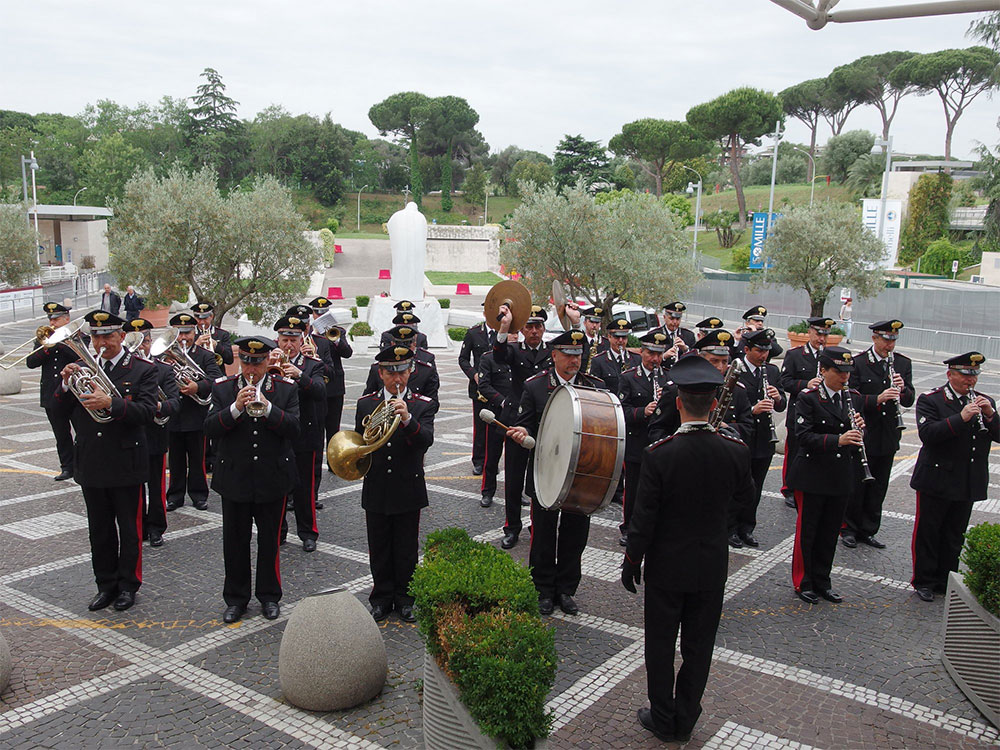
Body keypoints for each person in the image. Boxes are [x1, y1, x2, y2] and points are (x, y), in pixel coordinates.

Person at [621, 355, 754, 743]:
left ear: (678, 403)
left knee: (660, 646)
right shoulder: (735, 450)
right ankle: (686, 716)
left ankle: (663, 716)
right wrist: (716, 527)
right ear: (714, 404)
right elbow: (745, 503)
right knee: (699, 647)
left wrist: (632, 561)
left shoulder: (660, 454)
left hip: (666, 566)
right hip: (710, 564)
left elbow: (643, 519)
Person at [52, 310, 158, 612]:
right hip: (91, 462)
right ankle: (105, 585)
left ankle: (128, 587)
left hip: (126, 463)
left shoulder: (141, 369)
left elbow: (148, 413)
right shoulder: (83, 367)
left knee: (129, 529)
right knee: (99, 530)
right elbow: (58, 411)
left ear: (121, 336)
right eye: (95, 336)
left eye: (107, 336)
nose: (100, 342)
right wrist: (64, 384)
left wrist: (111, 403)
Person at [506, 329, 605, 616]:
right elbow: (526, 423)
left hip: (582, 473)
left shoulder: (593, 388)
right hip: (546, 471)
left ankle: (566, 589)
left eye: (578, 354)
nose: (575, 360)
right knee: (544, 534)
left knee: (575, 534)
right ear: (555, 355)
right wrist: (523, 431)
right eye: (569, 354)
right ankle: (542, 589)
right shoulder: (535, 386)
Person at [206, 336, 300, 623]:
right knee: (234, 542)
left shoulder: (284, 389)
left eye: (257, 363)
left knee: (270, 542)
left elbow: (295, 428)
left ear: (267, 362)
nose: (251, 369)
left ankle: (269, 596)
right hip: (234, 477)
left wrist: (269, 408)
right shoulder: (223, 388)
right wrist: (235, 408)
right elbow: (210, 428)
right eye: (246, 361)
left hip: (272, 477)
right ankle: (236, 599)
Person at [787, 346, 873, 605]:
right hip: (812, 474)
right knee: (809, 531)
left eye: (847, 371)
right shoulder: (808, 398)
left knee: (829, 531)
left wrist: (860, 432)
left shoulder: (853, 397)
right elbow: (803, 437)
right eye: (838, 371)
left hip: (840, 475)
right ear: (823, 371)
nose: (844, 377)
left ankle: (823, 580)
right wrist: (839, 439)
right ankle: (804, 582)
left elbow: (856, 436)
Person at [909, 352, 998, 602]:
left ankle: (945, 579)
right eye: (965, 376)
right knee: (929, 531)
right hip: (936, 478)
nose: (970, 381)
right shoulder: (932, 399)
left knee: (954, 534)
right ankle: (924, 580)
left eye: (974, 376)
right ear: (950, 375)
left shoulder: (984, 400)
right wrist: (961, 418)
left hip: (966, 479)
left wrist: (990, 415)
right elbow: (928, 435)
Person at [358, 345, 436, 623]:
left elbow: (426, 440)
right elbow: (360, 443)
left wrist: (407, 418)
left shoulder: (421, 404)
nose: (397, 378)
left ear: (410, 371)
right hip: (377, 484)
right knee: (378, 547)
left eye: (402, 371)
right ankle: (380, 598)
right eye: (390, 372)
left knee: (406, 547)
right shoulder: (366, 404)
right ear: (380, 374)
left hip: (407, 485)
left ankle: (406, 598)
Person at [843, 320, 914, 549]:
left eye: (893, 340)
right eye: (886, 339)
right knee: (857, 482)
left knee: (879, 484)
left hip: (888, 434)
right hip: (865, 432)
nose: (889, 345)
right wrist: (877, 399)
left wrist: (902, 390)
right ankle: (849, 528)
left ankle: (868, 528)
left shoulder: (902, 363)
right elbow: (850, 398)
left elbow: (910, 399)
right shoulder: (859, 363)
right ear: (874, 338)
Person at [493, 304, 555, 549]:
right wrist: (504, 327)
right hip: (517, 420)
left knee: (540, 477)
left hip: (545, 421)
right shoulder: (514, 351)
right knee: (514, 478)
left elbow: (578, 356)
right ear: (523, 329)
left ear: (543, 329)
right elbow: (498, 355)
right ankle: (512, 527)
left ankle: (536, 522)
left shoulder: (553, 351)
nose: (534, 331)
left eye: (538, 326)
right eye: (529, 326)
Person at [272, 315, 327, 552]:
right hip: (279, 434)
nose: (288, 345)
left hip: (306, 435)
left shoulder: (313, 364)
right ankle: (279, 531)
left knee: (304, 488)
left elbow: (320, 391)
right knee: (278, 486)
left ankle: (308, 533)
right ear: (278, 340)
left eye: (293, 340)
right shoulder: (269, 362)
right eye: (284, 340)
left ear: (300, 339)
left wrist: (299, 375)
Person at [127, 318, 180, 548]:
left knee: (156, 487)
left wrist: (156, 407)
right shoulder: (122, 369)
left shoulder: (163, 369)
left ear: (150, 342)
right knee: (132, 487)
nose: (140, 346)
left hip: (154, 434)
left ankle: (156, 527)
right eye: (133, 341)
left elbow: (175, 403)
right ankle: (138, 527)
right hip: (129, 436)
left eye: (144, 341)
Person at [617, 329, 672, 546]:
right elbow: (621, 410)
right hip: (637, 441)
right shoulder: (628, 378)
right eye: (651, 354)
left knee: (658, 487)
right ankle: (628, 527)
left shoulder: (668, 378)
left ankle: (653, 524)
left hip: (660, 442)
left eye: (659, 354)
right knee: (633, 489)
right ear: (641, 352)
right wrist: (643, 412)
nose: (655, 359)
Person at [165, 313, 223, 511]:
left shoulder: (204, 355)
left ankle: (199, 494)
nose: (183, 337)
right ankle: (175, 495)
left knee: (198, 458)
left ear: (195, 331)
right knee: (175, 459)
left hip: (197, 414)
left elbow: (216, 380)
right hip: (174, 414)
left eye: (187, 333)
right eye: (179, 333)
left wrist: (197, 387)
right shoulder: (164, 357)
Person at [735, 328, 786, 547]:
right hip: (743, 436)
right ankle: (731, 528)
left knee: (756, 486)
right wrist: (752, 410)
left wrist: (777, 397)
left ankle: (747, 528)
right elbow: (729, 405)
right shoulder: (735, 370)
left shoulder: (772, 372)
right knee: (738, 485)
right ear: (747, 349)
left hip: (764, 438)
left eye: (766, 351)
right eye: (758, 351)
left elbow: (783, 403)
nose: (763, 356)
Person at [779, 317, 834, 508]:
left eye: (825, 335)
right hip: (798, 413)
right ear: (810, 332)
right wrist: (805, 384)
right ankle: (789, 488)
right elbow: (784, 381)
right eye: (818, 334)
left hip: (821, 414)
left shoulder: (830, 355)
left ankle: (808, 484)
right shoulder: (795, 355)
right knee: (794, 452)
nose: (822, 339)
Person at [25, 302, 82, 481]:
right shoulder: (44, 340)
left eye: (57, 319)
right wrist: (46, 348)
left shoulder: (78, 336)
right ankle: (67, 467)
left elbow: (82, 358)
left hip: (75, 391)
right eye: (51, 319)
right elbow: (31, 363)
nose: (53, 322)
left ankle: (84, 464)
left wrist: (61, 343)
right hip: (52, 393)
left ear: (67, 319)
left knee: (82, 431)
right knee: (61, 433)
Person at [306, 297, 353, 442]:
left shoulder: (338, 331)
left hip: (334, 386)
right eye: (318, 314)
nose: (320, 317)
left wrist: (335, 339)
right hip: (315, 384)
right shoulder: (306, 333)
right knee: (316, 428)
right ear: (313, 315)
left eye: (324, 313)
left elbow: (347, 353)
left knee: (333, 429)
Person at [459, 309, 495, 476]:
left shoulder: (505, 333)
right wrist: (474, 375)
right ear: (484, 312)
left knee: (497, 427)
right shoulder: (474, 333)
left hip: (498, 388)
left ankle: (492, 461)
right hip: (479, 388)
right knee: (480, 427)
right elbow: (463, 359)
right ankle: (478, 461)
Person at [475, 349, 512, 509]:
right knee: (491, 457)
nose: (513, 335)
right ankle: (487, 492)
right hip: (496, 414)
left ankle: (515, 493)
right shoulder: (488, 357)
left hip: (517, 415)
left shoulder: (521, 355)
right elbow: (484, 385)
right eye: (510, 332)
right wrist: (502, 402)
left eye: (515, 332)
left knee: (514, 459)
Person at [364, 325, 439, 404]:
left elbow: (432, 405)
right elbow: (368, 402)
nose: (403, 349)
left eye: (407, 345)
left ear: (414, 344)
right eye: (398, 345)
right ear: (392, 344)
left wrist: (408, 415)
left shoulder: (426, 371)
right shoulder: (377, 368)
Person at [588, 318, 640, 397]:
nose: (620, 340)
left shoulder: (637, 359)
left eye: (624, 337)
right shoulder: (598, 360)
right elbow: (595, 389)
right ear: (609, 337)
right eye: (617, 337)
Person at [191, 302, 234, 368]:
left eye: (205, 318)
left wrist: (217, 346)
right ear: (194, 318)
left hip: (217, 372)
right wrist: (196, 345)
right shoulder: (190, 334)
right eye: (199, 319)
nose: (202, 322)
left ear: (211, 316)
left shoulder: (222, 334)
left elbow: (229, 360)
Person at [580, 306, 610, 373]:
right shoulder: (579, 341)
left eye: (597, 323)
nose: (594, 325)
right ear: (585, 323)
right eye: (591, 322)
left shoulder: (607, 343)